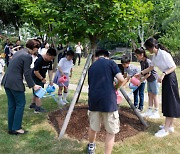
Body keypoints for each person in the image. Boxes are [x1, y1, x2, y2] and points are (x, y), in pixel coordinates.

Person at [136, 37, 180, 137]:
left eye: (148, 48)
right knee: (168, 101)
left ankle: (165, 129)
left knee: (170, 102)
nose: (147, 51)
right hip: (165, 78)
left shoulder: (164, 54)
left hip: (170, 78)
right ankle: (170, 126)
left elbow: (173, 67)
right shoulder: (155, 56)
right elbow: (151, 67)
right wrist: (141, 73)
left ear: (152, 47)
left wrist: (163, 74)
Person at [87, 49, 124, 154]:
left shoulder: (91, 67)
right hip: (109, 102)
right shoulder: (111, 63)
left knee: (93, 127)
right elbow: (121, 79)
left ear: (96, 56)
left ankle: (91, 147)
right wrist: (116, 87)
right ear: (107, 56)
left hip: (93, 100)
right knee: (111, 132)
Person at [1, 39, 41, 135]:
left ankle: (11, 128)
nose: (37, 51)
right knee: (20, 104)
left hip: (7, 81)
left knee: (12, 105)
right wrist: (33, 86)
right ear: (34, 48)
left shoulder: (19, 52)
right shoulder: (27, 56)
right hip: (15, 83)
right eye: (37, 48)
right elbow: (27, 74)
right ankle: (16, 128)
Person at [134, 47, 160, 118]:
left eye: (137, 55)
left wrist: (141, 80)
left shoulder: (147, 61)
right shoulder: (141, 62)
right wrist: (139, 77)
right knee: (149, 94)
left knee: (154, 95)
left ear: (142, 54)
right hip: (149, 80)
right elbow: (143, 73)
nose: (137, 57)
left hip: (153, 79)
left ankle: (156, 112)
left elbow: (149, 73)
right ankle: (149, 110)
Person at [30, 48, 57, 113]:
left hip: (41, 77)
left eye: (52, 58)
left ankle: (33, 105)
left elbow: (50, 71)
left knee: (36, 92)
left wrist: (51, 80)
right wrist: (42, 79)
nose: (51, 59)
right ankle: (37, 109)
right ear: (47, 54)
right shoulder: (39, 60)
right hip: (35, 77)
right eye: (51, 58)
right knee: (39, 93)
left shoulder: (50, 61)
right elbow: (35, 72)